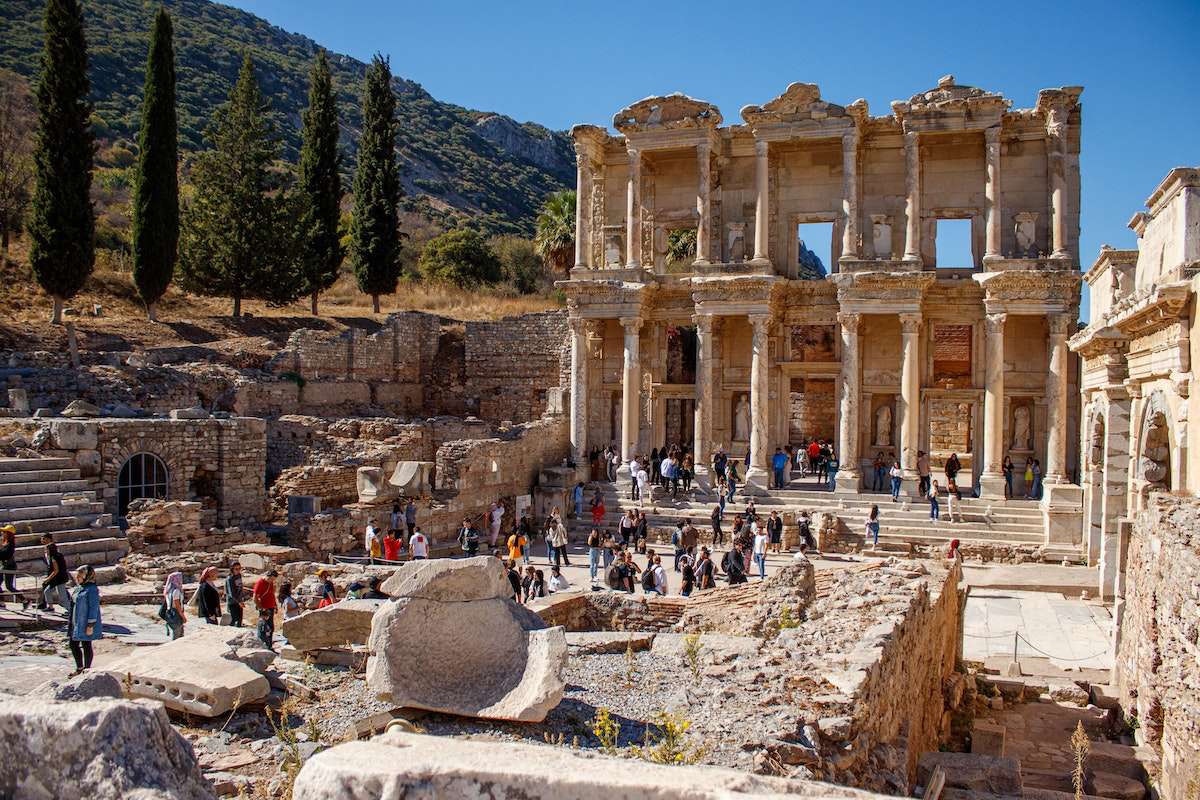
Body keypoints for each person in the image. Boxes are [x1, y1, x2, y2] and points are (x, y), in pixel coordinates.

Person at [67, 565, 101, 674]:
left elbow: (94, 607)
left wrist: (90, 625)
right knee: (73, 644)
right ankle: (79, 668)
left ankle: (86, 670)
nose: (77, 578)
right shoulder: (79, 588)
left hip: (85, 622)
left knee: (86, 644)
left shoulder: (92, 589)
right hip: (75, 621)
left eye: (80, 575)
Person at [39, 536, 71, 612]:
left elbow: (56, 571)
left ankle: (70, 611)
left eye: (46, 550)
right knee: (47, 591)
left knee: (63, 597)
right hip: (58, 578)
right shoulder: (59, 555)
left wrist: (48, 579)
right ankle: (50, 607)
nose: (46, 551)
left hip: (59, 579)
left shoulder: (54, 558)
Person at [252, 569, 278, 651]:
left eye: (273, 579)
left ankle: (269, 645)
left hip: (271, 607)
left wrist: (275, 605)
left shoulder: (270, 583)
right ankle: (262, 646)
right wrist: (261, 608)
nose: (272, 581)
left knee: (270, 628)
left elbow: (272, 595)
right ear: (268, 576)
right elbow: (255, 597)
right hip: (264, 608)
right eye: (272, 579)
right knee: (263, 627)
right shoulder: (260, 583)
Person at [162, 571, 186, 640]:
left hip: (170, 614)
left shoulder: (168, 590)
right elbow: (177, 605)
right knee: (177, 636)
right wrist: (183, 617)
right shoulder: (176, 591)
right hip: (177, 614)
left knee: (176, 634)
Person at [225, 562, 245, 627]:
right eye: (236, 569)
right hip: (233, 602)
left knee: (240, 620)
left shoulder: (239, 575)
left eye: (239, 568)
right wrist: (239, 602)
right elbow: (231, 593)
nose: (238, 570)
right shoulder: (230, 579)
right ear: (232, 569)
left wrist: (242, 599)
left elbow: (240, 587)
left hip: (239, 601)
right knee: (234, 620)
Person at [0, 526, 16, 599]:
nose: (2, 533)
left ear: (8, 533)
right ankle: (1, 602)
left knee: (9, 586)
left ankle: (25, 600)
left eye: (4, 532)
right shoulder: (5, 542)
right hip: (3, 565)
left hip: (9, 566)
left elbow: (6, 555)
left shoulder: (11, 544)